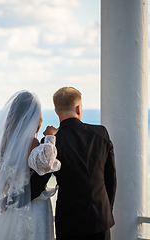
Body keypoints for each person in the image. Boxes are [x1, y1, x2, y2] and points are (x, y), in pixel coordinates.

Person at [0, 90, 61, 240]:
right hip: (32, 209)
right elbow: (45, 165)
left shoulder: (5, 145)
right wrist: (49, 138)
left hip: (12, 209)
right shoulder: (31, 143)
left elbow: (3, 180)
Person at [30, 87, 117, 240]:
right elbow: (111, 178)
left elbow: (38, 183)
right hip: (100, 219)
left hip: (69, 222)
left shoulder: (51, 143)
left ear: (56, 111)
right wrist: (106, 210)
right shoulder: (101, 133)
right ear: (78, 108)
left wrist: (14, 200)